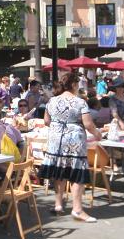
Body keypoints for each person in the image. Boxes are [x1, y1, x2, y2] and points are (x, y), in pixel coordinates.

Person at [40, 73, 102, 222]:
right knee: (77, 173)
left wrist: (59, 125)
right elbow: (88, 124)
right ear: (74, 84)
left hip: (56, 141)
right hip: (74, 141)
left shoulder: (52, 101)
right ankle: (77, 209)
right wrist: (97, 133)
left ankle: (58, 205)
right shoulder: (80, 102)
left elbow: (46, 121)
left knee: (59, 172)